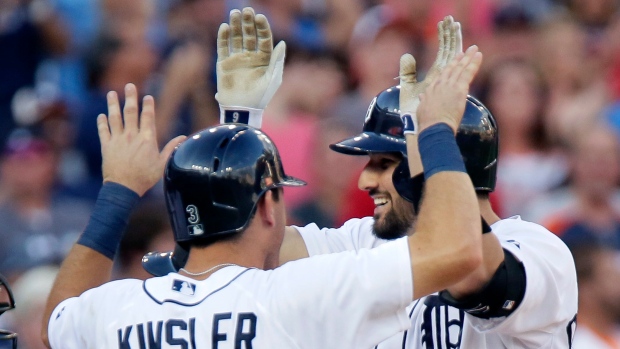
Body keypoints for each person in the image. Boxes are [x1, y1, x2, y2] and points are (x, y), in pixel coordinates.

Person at [41, 11, 487, 348]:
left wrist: (119, 191)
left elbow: (54, 323)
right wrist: (434, 130)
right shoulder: (298, 296)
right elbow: (458, 251)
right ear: (268, 208)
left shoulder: (120, 310)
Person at [147, 8, 577, 349]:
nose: (363, 182)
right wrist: (240, 125)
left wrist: (432, 136)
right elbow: (239, 251)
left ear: (444, 160)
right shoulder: (362, 243)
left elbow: (468, 266)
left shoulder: (540, 251)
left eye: (385, 164)